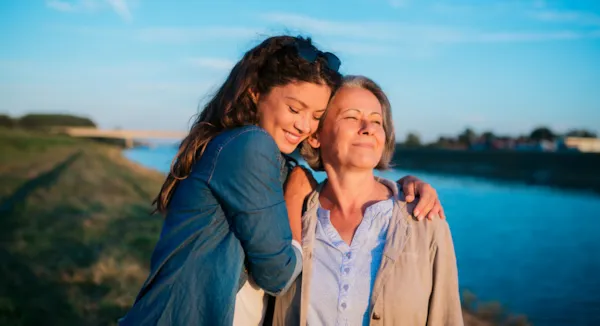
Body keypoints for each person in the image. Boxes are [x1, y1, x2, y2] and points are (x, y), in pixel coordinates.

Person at [119, 36, 444, 326]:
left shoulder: (271, 162)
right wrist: (293, 202)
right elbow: (276, 275)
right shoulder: (249, 144)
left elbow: (346, 174)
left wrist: (404, 186)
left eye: (316, 116)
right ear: (255, 93)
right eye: (295, 108)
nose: (305, 125)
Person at [273, 75, 463, 326]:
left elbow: (446, 318)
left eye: (376, 121)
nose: (368, 127)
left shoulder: (424, 219)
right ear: (315, 136)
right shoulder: (292, 212)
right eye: (351, 117)